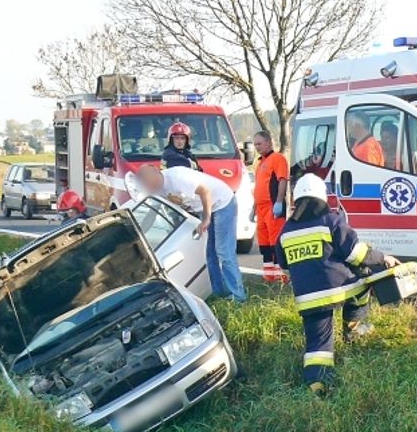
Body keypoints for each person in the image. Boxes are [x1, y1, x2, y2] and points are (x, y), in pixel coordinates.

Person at [275, 173, 400, 394]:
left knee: (317, 344)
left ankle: (317, 384)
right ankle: (354, 329)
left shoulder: (286, 231)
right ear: (322, 198)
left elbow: (284, 264)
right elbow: (356, 254)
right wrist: (383, 258)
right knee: (364, 283)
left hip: (307, 298)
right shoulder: (331, 221)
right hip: (339, 290)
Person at [137, 164, 246, 302]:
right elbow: (152, 214)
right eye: (145, 183)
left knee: (224, 252)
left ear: (156, 173)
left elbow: (205, 191)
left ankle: (239, 297)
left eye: (148, 181)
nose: (148, 186)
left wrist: (206, 219)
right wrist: (139, 232)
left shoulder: (177, 177)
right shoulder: (156, 190)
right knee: (211, 255)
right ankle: (221, 294)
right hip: (206, 208)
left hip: (223, 203)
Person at [251, 131, 289, 283]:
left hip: (273, 206)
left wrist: (279, 202)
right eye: (255, 145)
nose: (257, 147)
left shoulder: (277, 159)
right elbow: (259, 187)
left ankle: (281, 276)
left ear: (269, 142)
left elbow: (282, 180)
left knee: (275, 242)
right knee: (264, 244)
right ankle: (269, 276)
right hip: (261, 209)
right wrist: (254, 208)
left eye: (259, 144)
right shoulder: (260, 163)